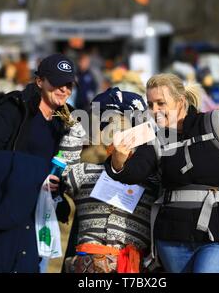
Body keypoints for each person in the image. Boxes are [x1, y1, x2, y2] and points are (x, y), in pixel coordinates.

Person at [105, 73, 219, 273]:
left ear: (180, 102)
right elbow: (133, 172)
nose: (154, 111)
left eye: (161, 103)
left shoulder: (216, 123)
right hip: (171, 240)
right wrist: (118, 159)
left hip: (216, 234)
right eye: (150, 104)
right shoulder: (156, 139)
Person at [0, 53, 77, 273]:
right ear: (39, 81)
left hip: (43, 213)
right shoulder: (16, 107)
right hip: (7, 208)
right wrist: (35, 175)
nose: (64, 90)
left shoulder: (68, 121)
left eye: (68, 84)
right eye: (56, 82)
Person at [61, 87, 156, 273]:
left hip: (134, 267)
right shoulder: (86, 173)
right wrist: (79, 126)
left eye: (124, 128)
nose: (117, 137)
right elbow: (63, 168)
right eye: (108, 128)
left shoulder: (152, 180)